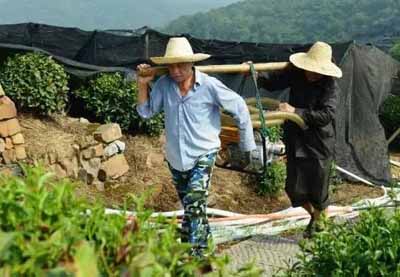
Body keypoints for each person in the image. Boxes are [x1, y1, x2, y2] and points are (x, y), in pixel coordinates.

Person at [136, 37, 256, 256]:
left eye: (180, 64)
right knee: (193, 209)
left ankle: (197, 257)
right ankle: (201, 247)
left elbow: (238, 105)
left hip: (203, 153)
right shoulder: (164, 85)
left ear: (192, 64)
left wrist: (248, 146)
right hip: (176, 158)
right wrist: (143, 84)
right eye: (171, 65)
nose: (175, 70)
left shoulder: (208, 85)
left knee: (193, 203)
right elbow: (146, 112)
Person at [256, 41, 342, 238]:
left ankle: (320, 230)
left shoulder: (330, 85)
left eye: (317, 70)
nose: (312, 73)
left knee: (318, 190)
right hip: (296, 138)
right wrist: (255, 75)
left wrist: (296, 111)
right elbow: (273, 83)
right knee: (294, 189)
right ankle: (316, 218)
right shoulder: (296, 72)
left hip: (319, 142)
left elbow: (326, 115)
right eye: (310, 69)